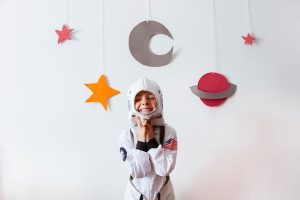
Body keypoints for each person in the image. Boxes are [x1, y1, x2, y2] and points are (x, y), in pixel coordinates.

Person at [119, 77, 178, 200]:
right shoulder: (127, 135)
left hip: (164, 194)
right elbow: (138, 172)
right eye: (138, 98)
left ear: (159, 100)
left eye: (150, 97)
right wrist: (141, 141)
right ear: (131, 103)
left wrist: (151, 140)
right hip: (134, 195)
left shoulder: (168, 132)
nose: (145, 102)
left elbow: (164, 169)